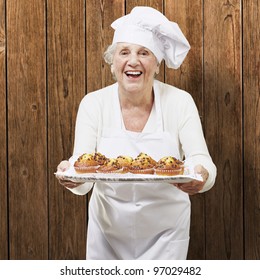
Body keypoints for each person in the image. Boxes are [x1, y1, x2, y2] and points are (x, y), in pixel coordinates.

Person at [56, 6, 217, 260]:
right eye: (124, 52)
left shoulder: (180, 102)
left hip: (166, 235)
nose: (133, 61)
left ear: (156, 63)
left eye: (144, 52)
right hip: (107, 235)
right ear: (113, 62)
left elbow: (202, 160)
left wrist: (201, 177)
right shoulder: (93, 103)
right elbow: (83, 172)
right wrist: (72, 177)